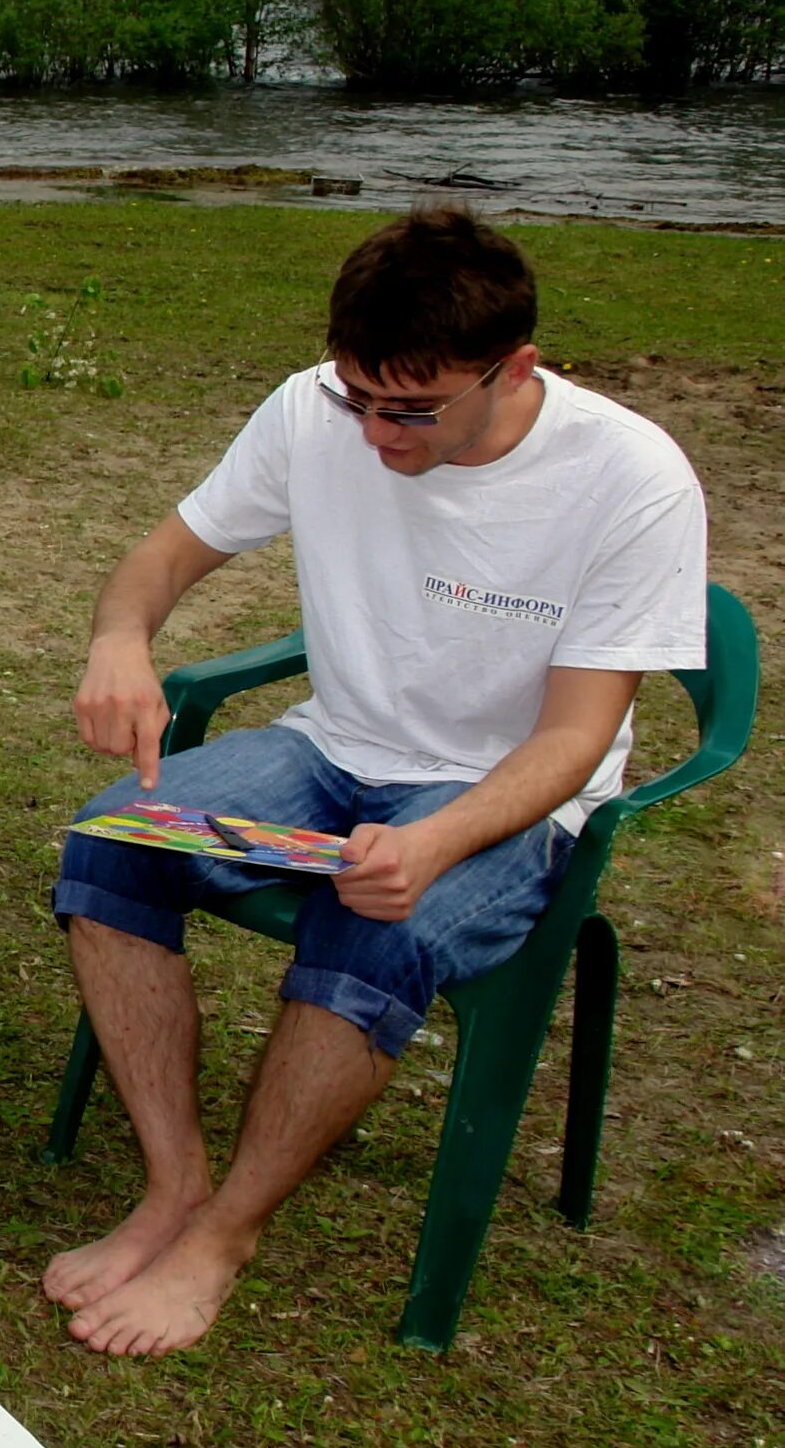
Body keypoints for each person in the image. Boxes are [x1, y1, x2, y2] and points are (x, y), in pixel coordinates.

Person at [48, 208, 708, 1358]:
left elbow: (574, 737)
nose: (375, 434)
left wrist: (438, 837)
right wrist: (120, 640)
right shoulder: (314, 407)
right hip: (331, 746)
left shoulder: (629, 477)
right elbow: (159, 558)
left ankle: (223, 1236)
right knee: (110, 838)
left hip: (502, 790)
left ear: (514, 369)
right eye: (358, 397)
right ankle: (171, 1185)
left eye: (411, 409)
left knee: (370, 929)